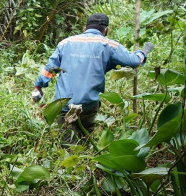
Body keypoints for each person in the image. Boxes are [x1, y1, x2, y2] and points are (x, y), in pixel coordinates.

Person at [32, 13, 153, 141]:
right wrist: (143, 52)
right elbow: (134, 62)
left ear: (85, 28)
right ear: (105, 30)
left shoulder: (65, 43)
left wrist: (38, 86)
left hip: (64, 104)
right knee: (85, 139)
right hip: (88, 105)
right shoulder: (109, 45)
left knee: (67, 143)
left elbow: (48, 70)